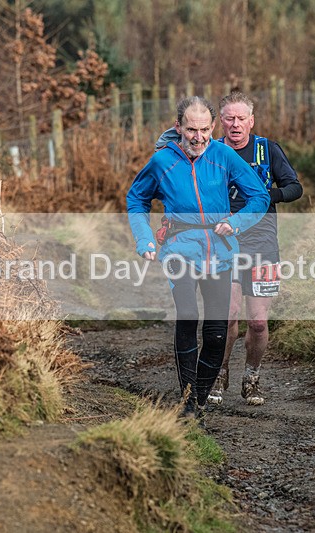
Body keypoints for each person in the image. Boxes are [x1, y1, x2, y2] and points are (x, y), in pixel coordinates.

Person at [127, 96, 270, 422]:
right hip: (179, 247)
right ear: (179, 127)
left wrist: (235, 222)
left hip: (219, 250)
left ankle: (200, 397)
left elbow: (259, 196)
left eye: (205, 129)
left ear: (212, 127)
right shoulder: (164, 161)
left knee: (218, 330)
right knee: (189, 315)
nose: (199, 137)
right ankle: (188, 402)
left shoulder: (223, 156)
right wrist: (144, 238)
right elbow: (136, 198)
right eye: (192, 129)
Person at [208, 91, 303, 406]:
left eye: (240, 119)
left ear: (251, 121)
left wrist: (265, 198)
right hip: (224, 243)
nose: (235, 125)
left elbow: (294, 188)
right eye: (229, 118)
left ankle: (252, 378)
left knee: (258, 321)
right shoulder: (210, 151)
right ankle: (218, 375)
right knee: (228, 315)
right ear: (220, 121)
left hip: (262, 243)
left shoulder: (267, 150)